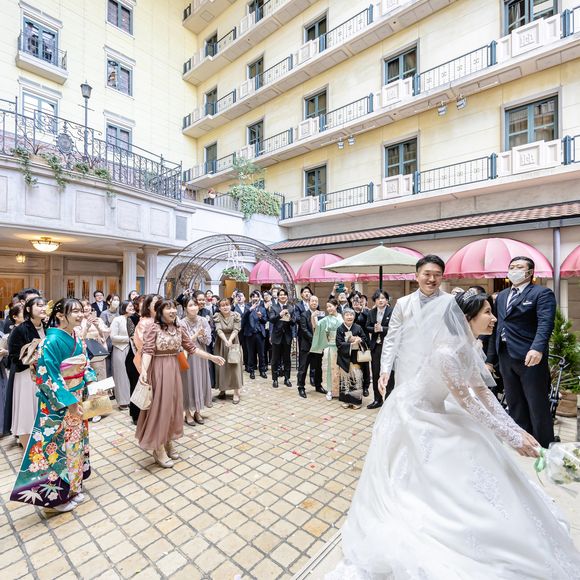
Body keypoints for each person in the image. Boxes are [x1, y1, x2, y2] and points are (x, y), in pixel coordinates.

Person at [329, 288, 580, 579]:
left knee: (478, 447)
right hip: (416, 412)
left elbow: (484, 395)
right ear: (467, 317)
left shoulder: (469, 346)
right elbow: (469, 403)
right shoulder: (446, 353)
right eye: (487, 312)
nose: (494, 318)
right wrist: (511, 438)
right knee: (446, 459)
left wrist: (517, 430)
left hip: (438, 408)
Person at [10, 298, 97, 512]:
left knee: (74, 443)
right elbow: (48, 375)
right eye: (74, 311)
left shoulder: (77, 337)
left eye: (81, 310)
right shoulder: (50, 341)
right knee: (55, 446)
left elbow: (85, 363)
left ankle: (72, 488)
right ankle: (52, 500)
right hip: (58, 403)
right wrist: (69, 402)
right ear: (60, 315)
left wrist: (91, 381)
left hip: (76, 396)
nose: (80, 314)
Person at [136, 299, 224, 467]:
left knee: (173, 407)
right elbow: (147, 351)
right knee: (160, 408)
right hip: (158, 371)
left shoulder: (179, 328)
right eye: (168, 308)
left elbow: (192, 348)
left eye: (174, 308)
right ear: (160, 311)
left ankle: (168, 440)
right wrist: (145, 370)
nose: (173, 311)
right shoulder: (153, 328)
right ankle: (158, 448)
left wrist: (212, 357)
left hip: (174, 371)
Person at [487, 256, 556, 448]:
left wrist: (537, 348)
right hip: (505, 355)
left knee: (537, 403)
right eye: (511, 267)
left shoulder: (542, 293)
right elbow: (496, 326)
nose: (514, 270)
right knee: (514, 402)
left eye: (519, 267)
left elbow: (545, 323)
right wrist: (490, 359)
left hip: (530, 356)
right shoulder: (502, 296)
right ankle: (521, 442)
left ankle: (544, 446)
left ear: (530, 272)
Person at [379, 254, 446, 392]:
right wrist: (385, 370)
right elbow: (391, 338)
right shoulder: (403, 303)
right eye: (427, 274)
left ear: (442, 277)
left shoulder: (450, 302)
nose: (432, 279)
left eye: (437, 275)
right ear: (417, 276)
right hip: (408, 369)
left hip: (440, 369)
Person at [8, 297, 47, 448]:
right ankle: (28, 453)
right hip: (26, 376)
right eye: (39, 305)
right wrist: (33, 358)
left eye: (44, 305)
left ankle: (42, 448)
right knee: (26, 415)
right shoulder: (20, 330)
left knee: (41, 412)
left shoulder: (47, 327)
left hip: (43, 376)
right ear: (29, 309)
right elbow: (13, 357)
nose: (43, 308)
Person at [179, 296, 213, 425]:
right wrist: (196, 334)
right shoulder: (182, 323)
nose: (193, 307)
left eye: (195, 305)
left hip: (201, 355)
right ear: (185, 308)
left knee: (200, 381)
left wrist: (203, 335)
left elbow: (208, 341)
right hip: (188, 356)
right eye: (190, 305)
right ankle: (187, 412)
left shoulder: (203, 320)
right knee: (188, 383)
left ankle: (198, 411)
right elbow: (184, 342)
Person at [366, 290, 394, 409]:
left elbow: (396, 328)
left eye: (383, 298)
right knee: (376, 372)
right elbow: (367, 326)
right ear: (375, 301)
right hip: (376, 347)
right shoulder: (371, 312)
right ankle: (377, 399)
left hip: (388, 347)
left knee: (389, 373)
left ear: (387, 300)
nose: (380, 300)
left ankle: (389, 400)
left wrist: (382, 329)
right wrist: (374, 329)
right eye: (378, 299)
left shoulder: (392, 311)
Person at [335, 308, 368, 409]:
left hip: (356, 358)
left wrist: (359, 340)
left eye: (351, 315)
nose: (349, 317)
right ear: (343, 317)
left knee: (356, 378)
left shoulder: (358, 327)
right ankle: (345, 400)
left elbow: (365, 339)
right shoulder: (340, 329)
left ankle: (356, 401)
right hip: (344, 358)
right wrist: (351, 344)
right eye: (347, 315)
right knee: (344, 380)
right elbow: (339, 344)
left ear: (354, 316)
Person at [310, 298, 343, 400]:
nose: (328, 309)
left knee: (341, 369)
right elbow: (317, 326)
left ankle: (341, 390)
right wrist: (313, 317)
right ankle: (330, 390)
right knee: (330, 369)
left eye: (330, 306)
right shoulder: (326, 319)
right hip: (331, 346)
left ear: (336, 306)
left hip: (341, 346)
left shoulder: (341, 317)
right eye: (327, 307)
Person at [1, 304, 25, 436]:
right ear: (15, 317)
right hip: (19, 369)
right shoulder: (16, 331)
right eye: (22, 312)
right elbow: (14, 354)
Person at [214, 298, 243, 404]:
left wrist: (230, 340)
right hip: (221, 343)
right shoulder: (217, 316)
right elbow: (218, 329)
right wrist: (225, 340)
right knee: (221, 366)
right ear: (219, 307)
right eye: (222, 305)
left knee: (234, 366)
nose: (225, 307)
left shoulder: (236, 315)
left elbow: (236, 329)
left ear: (230, 305)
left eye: (227, 305)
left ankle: (236, 392)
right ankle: (222, 389)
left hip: (233, 341)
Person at [296, 295, 325, 399]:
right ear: (308, 302)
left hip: (318, 346)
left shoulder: (321, 315)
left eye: (316, 301)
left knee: (318, 367)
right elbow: (304, 329)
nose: (314, 303)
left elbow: (323, 328)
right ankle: (301, 387)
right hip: (307, 345)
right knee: (303, 367)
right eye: (312, 301)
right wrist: (314, 340)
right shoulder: (304, 314)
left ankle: (318, 385)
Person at [110, 300, 134, 410]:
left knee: (130, 376)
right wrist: (129, 339)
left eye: (132, 306)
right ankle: (123, 402)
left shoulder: (133, 319)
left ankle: (131, 399)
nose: (132, 308)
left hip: (132, 350)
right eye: (129, 306)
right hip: (120, 349)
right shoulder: (117, 319)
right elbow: (113, 337)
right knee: (121, 376)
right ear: (123, 307)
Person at [268, 288, 295, 389]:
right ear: (278, 297)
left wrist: (289, 318)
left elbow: (294, 322)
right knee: (275, 359)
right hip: (276, 336)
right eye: (281, 295)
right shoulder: (273, 307)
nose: (283, 296)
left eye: (284, 295)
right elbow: (271, 320)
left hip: (287, 336)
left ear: (287, 296)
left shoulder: (291, 308)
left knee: (287, 359)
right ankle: (275, 379)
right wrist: (280, 315)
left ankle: (287, 378)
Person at [126, 294, 144, 425]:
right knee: (136, 386)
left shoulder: (153, 318)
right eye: (143, 302)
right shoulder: (131, 318)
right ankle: (136, 414)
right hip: (135, 357)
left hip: (148, 356)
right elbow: (133, 338)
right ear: (137, 305)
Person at [243, 291, 268, 379]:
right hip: (250, 334)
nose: (255, 298)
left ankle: (262, 371)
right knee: (250, 354)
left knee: (261, 354)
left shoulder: (262, 308)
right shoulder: (247, 307)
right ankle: (251, 371)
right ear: (251, 298)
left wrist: (261, 317)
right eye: (253, 297)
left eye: (257, 297)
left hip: (260, 334)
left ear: (259, 298)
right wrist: (250, 309)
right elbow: (244, 318)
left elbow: (265, 321)